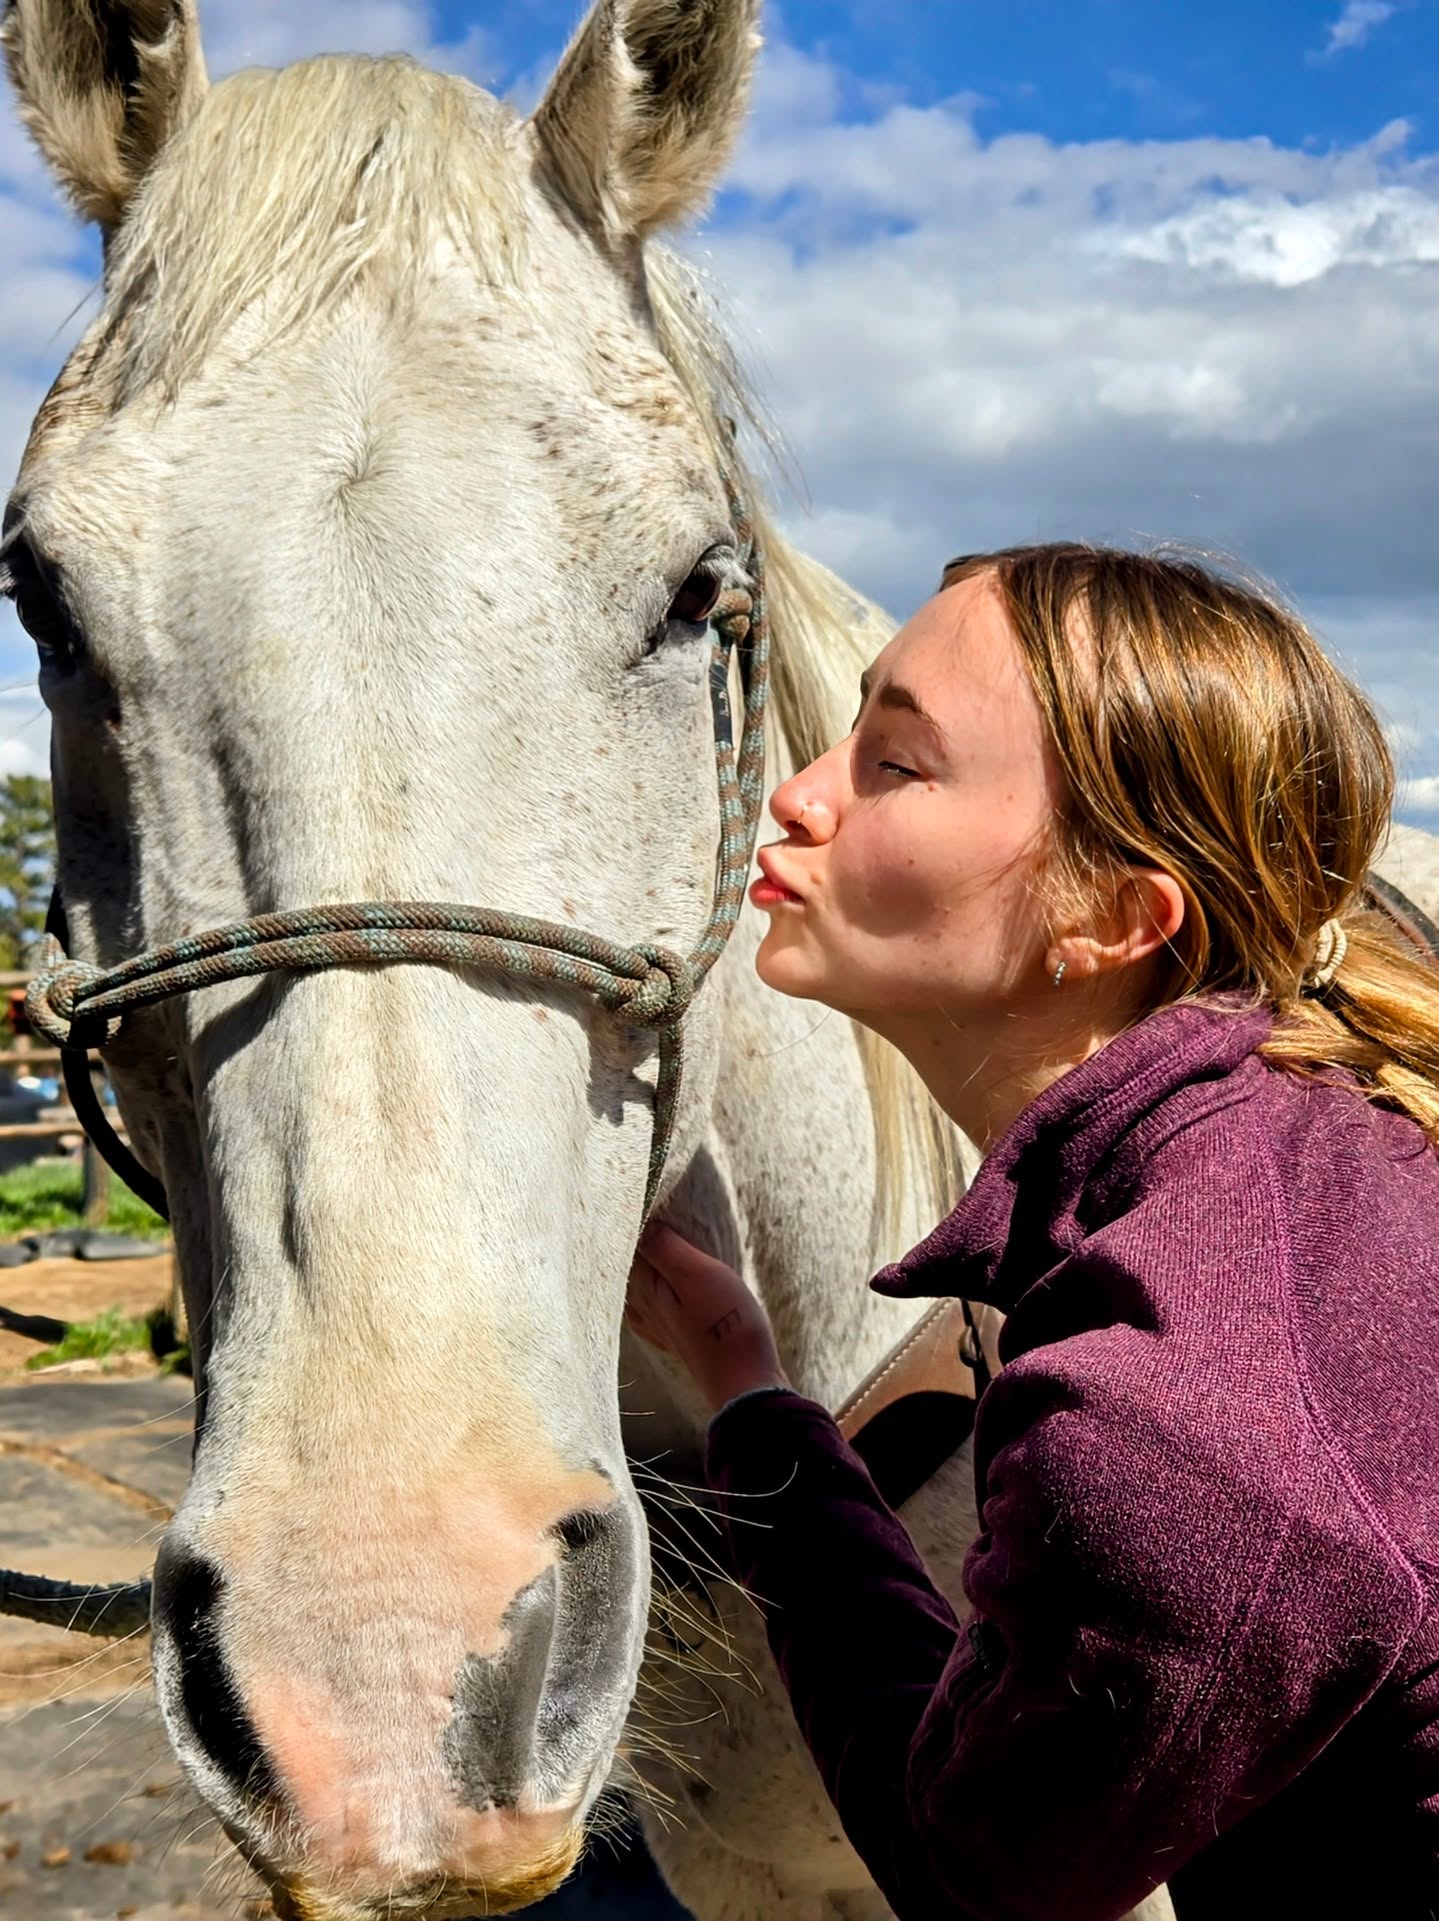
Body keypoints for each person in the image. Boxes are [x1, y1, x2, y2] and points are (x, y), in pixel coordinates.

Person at [625, 545, 1439, 1921]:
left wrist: (756, 1404)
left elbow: (974, 1875)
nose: (798, 794)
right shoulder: (1318, 1138)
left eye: (895, 763)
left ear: (1113, 916)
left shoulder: (1171, 1438)